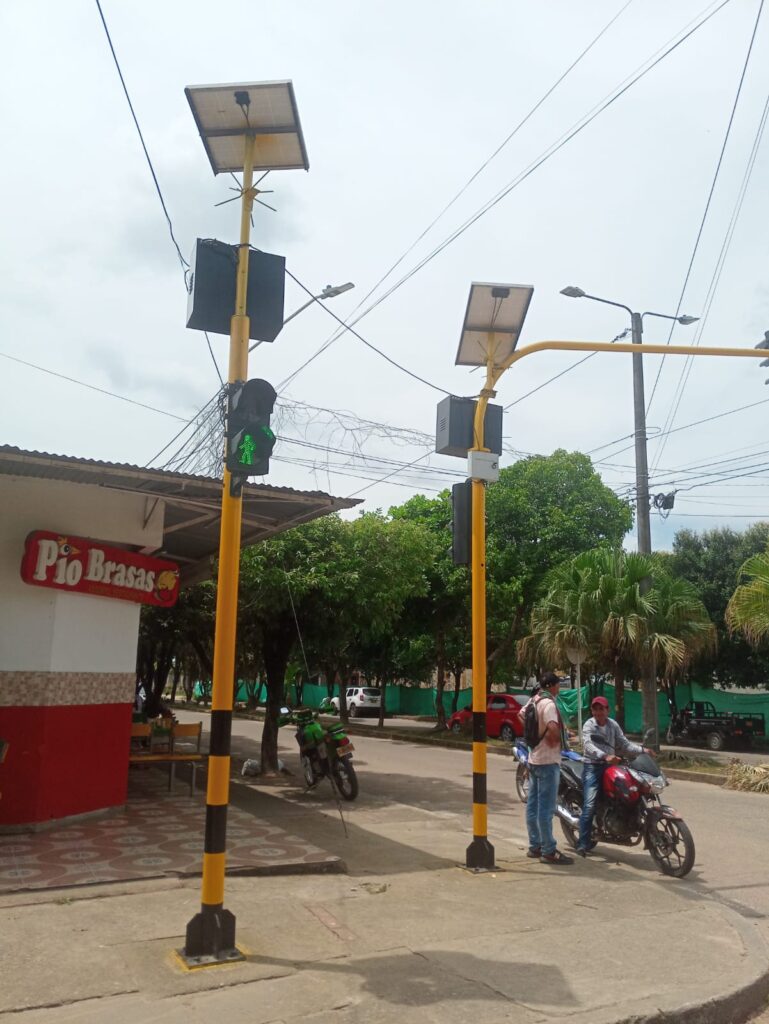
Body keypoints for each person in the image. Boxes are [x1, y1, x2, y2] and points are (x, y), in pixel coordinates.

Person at [577, 696, 656, 857]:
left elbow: (624, 744)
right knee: (590, 803)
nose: (599, 712)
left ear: (608, 710)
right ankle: (583, 843)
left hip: (611, 765)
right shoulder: (589, 725)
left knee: (631, 790)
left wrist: (643, 750)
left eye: (602, 709)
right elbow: (588, 745)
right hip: (593, 766)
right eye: (595, 709)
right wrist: (604, 756)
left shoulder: (612, 725)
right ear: (592, 710)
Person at [526, 672, 574, 865]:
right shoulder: (549, 704)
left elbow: (521, 716)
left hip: (534, 758)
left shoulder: (533, 701)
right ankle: (548, 850)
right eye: (558, 685)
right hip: (547, 761)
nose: (559, 688)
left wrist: (536, 737)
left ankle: (535, 845)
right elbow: (553, 728)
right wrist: (552, 741)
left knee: (533, 805)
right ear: (552, 686)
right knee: (546, 808)